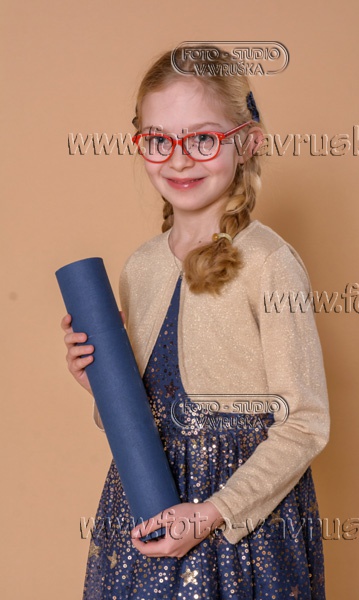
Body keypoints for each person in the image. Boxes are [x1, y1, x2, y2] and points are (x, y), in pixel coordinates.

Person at [61, 46, 330, 599]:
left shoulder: (270, 264)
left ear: (247, 141)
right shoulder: (139, 268)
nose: (179, 160)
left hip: (241, 525)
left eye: (202, 139)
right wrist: (101, 387)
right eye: (159, 140)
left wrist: (214, 513)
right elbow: (150, 414)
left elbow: (304, 423)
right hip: (146, 509)